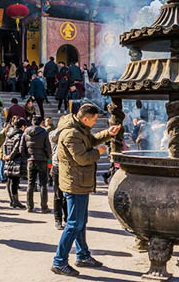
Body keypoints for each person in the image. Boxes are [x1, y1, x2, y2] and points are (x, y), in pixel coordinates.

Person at [51, 103, 121, 276]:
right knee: (74, 224)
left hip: (80, 182)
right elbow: (82, 158)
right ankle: (59, 261)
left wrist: (107, 134)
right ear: (85, 119)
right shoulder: (71, 134)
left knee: (80, 223)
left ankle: (82, 255)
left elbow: (89, 141)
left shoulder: (79, 128)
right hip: (75, 183)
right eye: (94, 120)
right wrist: (100, 152)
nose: (95, 122)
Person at [20, 115, 52, 213]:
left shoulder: (26, 132)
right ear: (41, 122)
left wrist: (27, 157)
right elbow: (48, 148)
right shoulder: (44, 132)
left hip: (31, 160)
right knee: (43, 184)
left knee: (30, 184)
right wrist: (48, 158)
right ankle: (44, 206)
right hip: (42, 160)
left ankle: (29, 206)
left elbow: (21, 148)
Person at [3, 118, 28, 209]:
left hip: (8, 159)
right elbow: (17, 148)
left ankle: (12, 200)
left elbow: (4, 146)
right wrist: (11, 156)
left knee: (9, 181)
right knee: (14, 181)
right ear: (22, 127)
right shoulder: (20, 135)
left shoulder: (9, 134)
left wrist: (6, 156)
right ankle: (15, 201)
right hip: (16, 160)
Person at [49, 123, 68, 230]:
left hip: (67, 167)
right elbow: (54, 136)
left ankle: (67, 218)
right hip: (57, 167)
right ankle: (58, 219)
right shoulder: (53, 134)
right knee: (58, 195)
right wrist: (62, 128)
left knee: (67, 195)